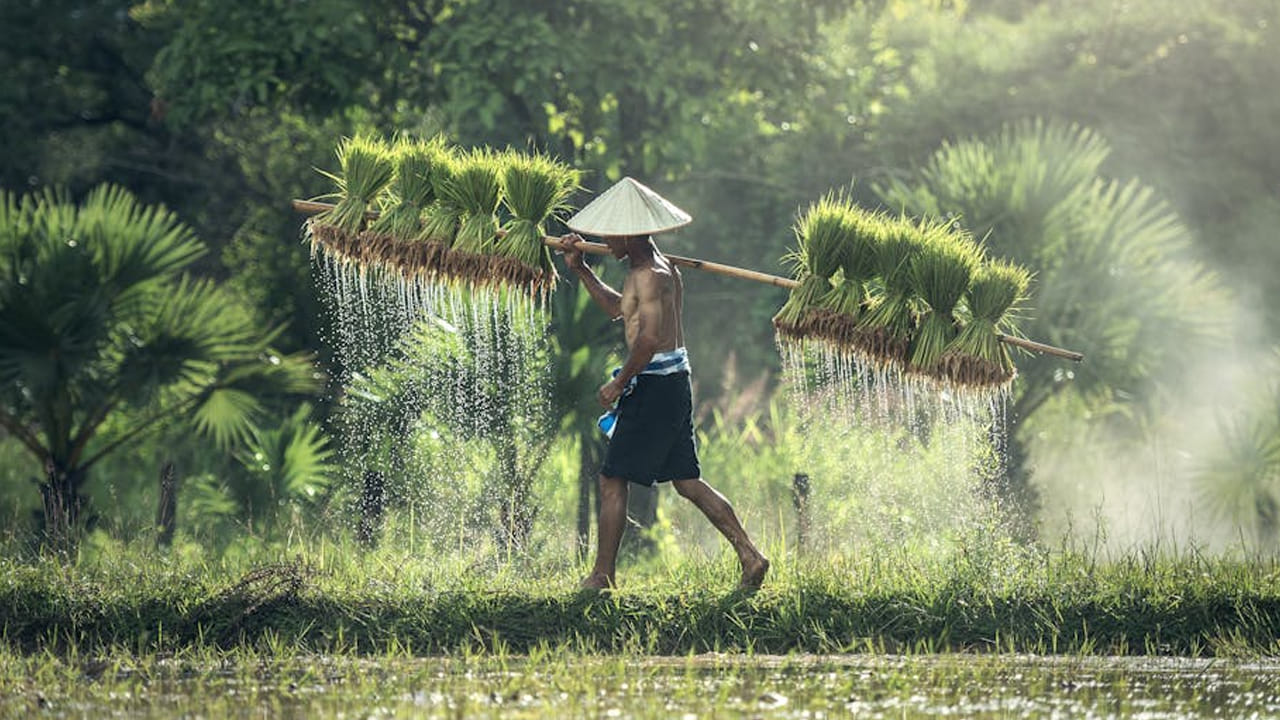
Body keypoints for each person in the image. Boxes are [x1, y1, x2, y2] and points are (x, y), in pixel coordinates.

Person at [558, 177, 769, 591]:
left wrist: (619, 382)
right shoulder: (652, 270)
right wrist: (580, 269)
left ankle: (602, 576)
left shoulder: (652, 275)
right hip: (671, 382)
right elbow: (620, 311)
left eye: (610, 232)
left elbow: (649, 340)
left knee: (612, 478)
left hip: (655, 385)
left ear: (629, 233)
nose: (604, 239)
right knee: (686, 481)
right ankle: (751, 555)